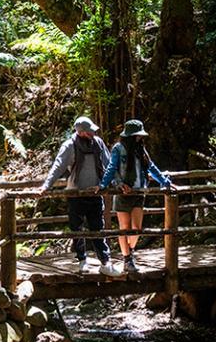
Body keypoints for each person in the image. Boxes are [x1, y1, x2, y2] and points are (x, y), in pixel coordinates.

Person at [37, 116, 120, 276]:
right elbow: (58, 166)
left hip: (95, 193)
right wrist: (46, 186)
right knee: (77, 229)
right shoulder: (69, 146)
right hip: (75, 193)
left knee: (98, 228)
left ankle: (105, 262)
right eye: (89, 131)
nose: (92, 134)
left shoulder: (98, 143)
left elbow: (109, 163)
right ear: (80, 132)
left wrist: (116, 182)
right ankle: (82, 260)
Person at [99, 119, 174, 274]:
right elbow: (112, 168)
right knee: (124, 228)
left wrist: (164, 181)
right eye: (138, 135)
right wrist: (108, 184)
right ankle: (127, 259)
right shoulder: (118, 149)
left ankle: (130, 250)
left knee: (137, 229)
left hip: (139, 192)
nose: (140, 138)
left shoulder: (141, 149)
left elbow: (150, 166)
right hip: (123, 193)